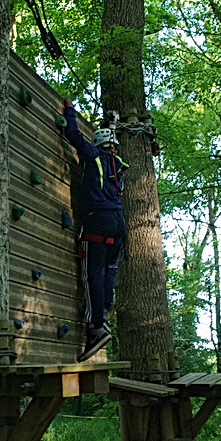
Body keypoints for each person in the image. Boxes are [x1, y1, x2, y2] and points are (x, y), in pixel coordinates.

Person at [62, 98, 129, 362]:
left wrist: (69, 109)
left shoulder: (95, 156)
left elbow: (72, 134)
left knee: (93, 272)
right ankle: (103, 311)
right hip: (118, 222)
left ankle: (96, 326)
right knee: (109, 268)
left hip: (97, 220)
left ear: (99, 145)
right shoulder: (119, 166)